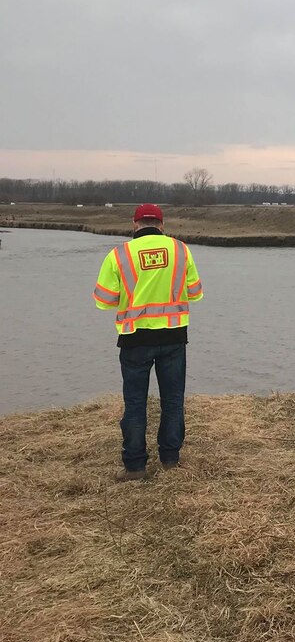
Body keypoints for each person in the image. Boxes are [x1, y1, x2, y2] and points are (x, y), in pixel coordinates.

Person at [93, 204, 204, 481]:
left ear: (135, 224)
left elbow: (103, 301)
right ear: (162, 225)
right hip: (173, 336)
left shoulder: (118, 255)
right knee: (173, 400)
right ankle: (169, 459)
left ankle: (135, 466)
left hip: (134, 339)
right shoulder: (181, 250)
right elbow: (195, 292)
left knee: (135, 403)